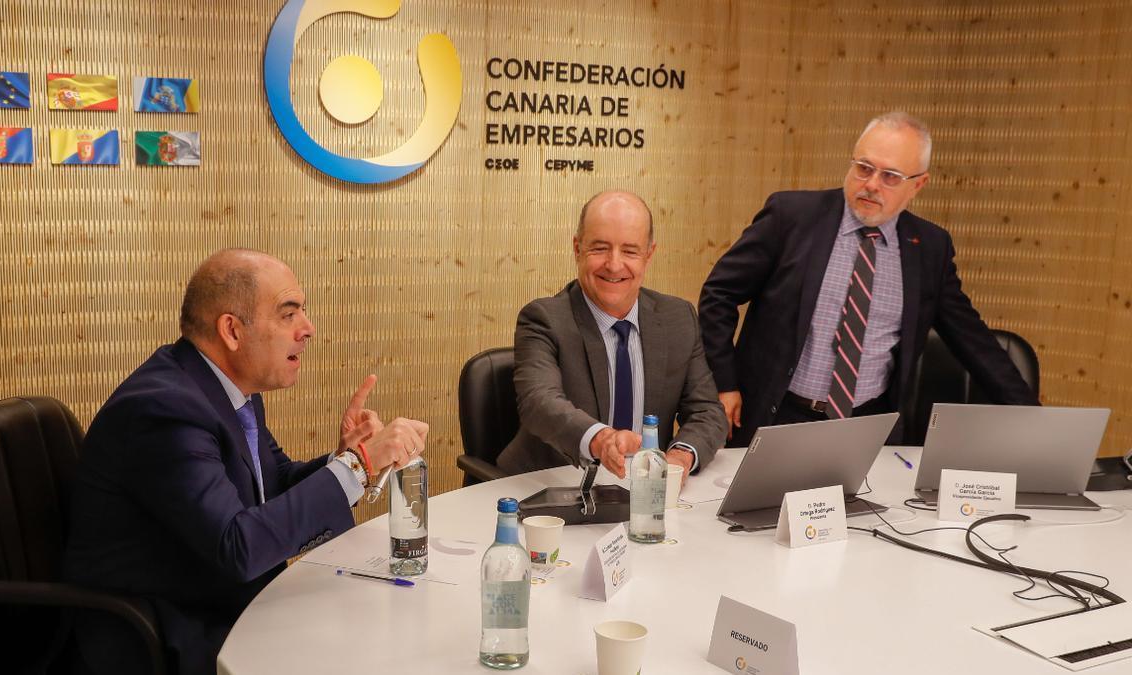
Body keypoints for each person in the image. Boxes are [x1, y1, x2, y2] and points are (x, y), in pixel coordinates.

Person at [64, 249, 429, 675]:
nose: (308, 329)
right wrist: (357, 468)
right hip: (168, 630)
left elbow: (272, 487)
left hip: (222, 602)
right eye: (289, 314)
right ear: (232, 330)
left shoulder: (228, 391)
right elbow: (238, 548)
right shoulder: (165, 409)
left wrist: (346, 458)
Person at [698, 111, 1037, 446]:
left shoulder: (929, 248)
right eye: (864, 168)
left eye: (890, 176)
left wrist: (1037, 420)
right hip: (778, 415)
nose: (871, 184)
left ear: (918, 184)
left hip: (868, 428)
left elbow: (972, 340)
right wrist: (725, 383)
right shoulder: (791, 217)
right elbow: (719, 294)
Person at [496, 190, 727, 480]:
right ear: (577, 249)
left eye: (630, 251)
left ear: (649, 255)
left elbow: (708, 411)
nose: (614, 264)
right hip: (552, 489)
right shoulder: (544, 320)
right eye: (600, 248)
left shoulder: (677, 318)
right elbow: (540, 403)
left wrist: (679, 456)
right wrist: (601, 440)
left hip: (644, 494)